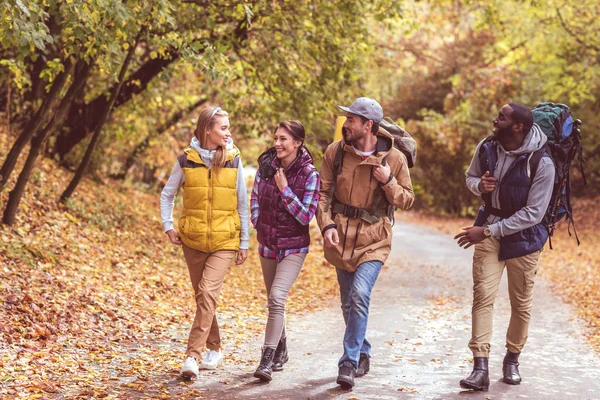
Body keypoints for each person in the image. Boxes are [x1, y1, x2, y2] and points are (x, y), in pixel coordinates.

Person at [455, 103, 555, 391]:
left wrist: (487, 230)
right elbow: (470, 176)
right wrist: (479, 187)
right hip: (489, 232)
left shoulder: (542, 162)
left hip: (525, 238)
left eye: (501, 117)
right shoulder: (487, 147)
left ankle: (512, 359)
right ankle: (480, 367)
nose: (494, 120)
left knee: (520, 303)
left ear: (517, 127)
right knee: (483, 297)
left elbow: (533, 214)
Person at [316, 97, 415, 389]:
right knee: (348, 303)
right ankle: (363, 349)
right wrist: (326, 226)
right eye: (346, 119)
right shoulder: (335, 153)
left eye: (351, 120)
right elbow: (321, 196)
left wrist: (388, 181)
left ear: (368, 125)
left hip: (375, 239)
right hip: (340, 237)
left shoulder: (394, 159)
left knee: (359, 294)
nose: (346, 125)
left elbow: (407, 199)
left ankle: (348, 362)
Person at [160, 106, 249, 379]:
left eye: (228, 127)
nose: (228, 132)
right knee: (203, 297)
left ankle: (192, 357)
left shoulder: (233, 160)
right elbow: (167, 194)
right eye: (223, 128)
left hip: (224, 240)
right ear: (207, 129)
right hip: (193, 239)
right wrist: (168, 226)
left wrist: (244, 241)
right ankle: (215, 346)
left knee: (207, 293)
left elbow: (243, 204)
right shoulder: (186, 160)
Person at [250, 121, 320, 382]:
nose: (277, 143)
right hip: (267, 244)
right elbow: (255, 198)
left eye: (284, 139)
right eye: (276, 138)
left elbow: (305, 216)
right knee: (273, 299)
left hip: (294, 247)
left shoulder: (310, 174)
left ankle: (266, 360)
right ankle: (282, 348)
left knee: (277, 297)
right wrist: (258, 222)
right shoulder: (266, 166)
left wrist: (285, 190)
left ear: (298, 143)